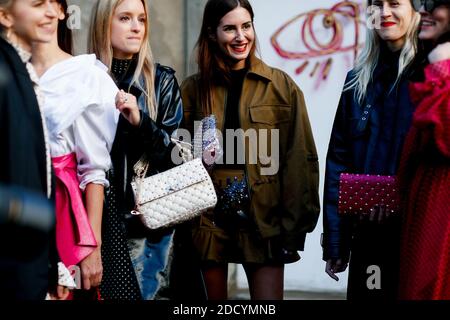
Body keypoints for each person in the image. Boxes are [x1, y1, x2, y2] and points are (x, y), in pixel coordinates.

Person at [181, 0, 320, 300]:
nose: (240, 36)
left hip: (263, 221)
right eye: (229, 28)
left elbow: (300, 160)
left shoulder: (280, 86)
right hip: (208, 220)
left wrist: (294, 228)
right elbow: (178, 157)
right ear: (212, 34)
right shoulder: (192, 89)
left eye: (246, 26)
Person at [322, 0, 421, 300]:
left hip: (418, 237)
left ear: (417, 11)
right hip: (369, 237)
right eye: (377, 4)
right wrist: (336, 242)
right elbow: (338, 161)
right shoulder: (357, 81)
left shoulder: (433, 79)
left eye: (395, 3)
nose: (385, 12)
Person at [90, 0, 185, 300]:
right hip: (96, 222)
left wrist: (141, 121)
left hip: (146, 229)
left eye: (141, 19)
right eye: (125, 18)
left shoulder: (161, 81)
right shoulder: (85, 80)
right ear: (105, 22)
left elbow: (177, 159)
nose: (136, 27)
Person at [31, 0, 119, 296]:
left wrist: (91, 244)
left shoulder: (85, 77)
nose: (39, 12)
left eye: (46, 4)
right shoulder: (12, 73)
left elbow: (93, 170)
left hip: (64, 211)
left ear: (59, 10)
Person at [0, 0, 56, 300]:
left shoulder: (21, 67)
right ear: (5, 15)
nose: (51, 12)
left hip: (28, 264)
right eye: (37, 4)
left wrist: (51, 262)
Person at [398, 0, 450, 300]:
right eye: (421, 3)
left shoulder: (442, 70)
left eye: (436, 3)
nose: (424, 11)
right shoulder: (431, 66)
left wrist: (443, 65)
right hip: (422, 213)